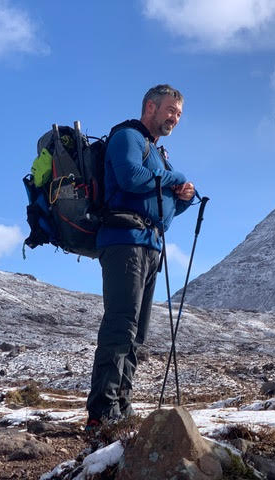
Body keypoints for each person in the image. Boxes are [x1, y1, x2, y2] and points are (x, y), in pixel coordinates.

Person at [86, 84, 195, 428]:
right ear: (150, 106)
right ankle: (101, 412)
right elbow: (131, 178)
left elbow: (162, 212)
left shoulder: (157, 153)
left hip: (150, 245)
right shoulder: (127, 138)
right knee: (121, 324)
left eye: (178, 114)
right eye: (170, 110)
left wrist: (184, 198)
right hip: (123, 241)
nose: (174, 118)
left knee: (138, 333)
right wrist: (176, 177)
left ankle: (121, 405)